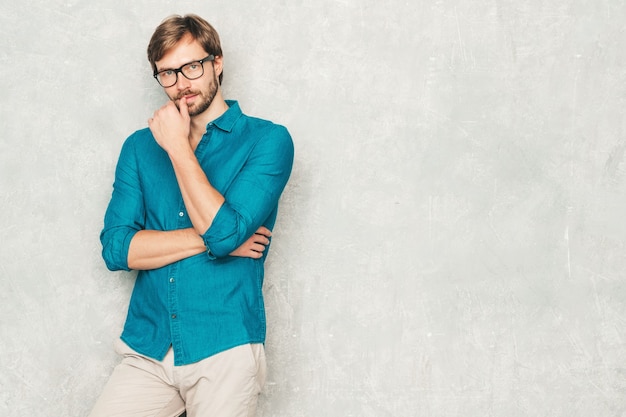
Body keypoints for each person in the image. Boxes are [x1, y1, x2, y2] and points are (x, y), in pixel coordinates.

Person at [89, 14, 294, 417]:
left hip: (225, 345)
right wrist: (217, 240)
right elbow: (116, 249)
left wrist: (179, 148)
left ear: (217, 62)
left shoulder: (268, 140)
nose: (181, 83)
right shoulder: (138, 147)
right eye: (167, 73)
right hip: (149, 344)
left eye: (191, 66)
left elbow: (223, 233)